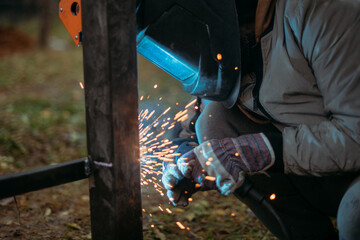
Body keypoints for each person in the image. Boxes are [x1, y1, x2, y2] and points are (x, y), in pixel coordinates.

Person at [137, 0, 360, 239]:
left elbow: (356, 136)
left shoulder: (323, 11)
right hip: (320, 174)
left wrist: (262, 150)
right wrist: (184, 157)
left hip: (353, 171)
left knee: (354, 215)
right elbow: (201, 116)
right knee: (214, 122)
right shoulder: (231, 36)